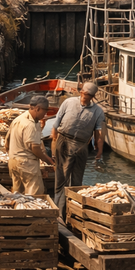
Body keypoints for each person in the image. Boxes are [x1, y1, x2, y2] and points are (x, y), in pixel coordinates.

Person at [51, 82, 105, 211]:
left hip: (81, 144)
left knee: (77, 178)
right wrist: (54, 142)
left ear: (93, 96)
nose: (85, 97)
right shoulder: (68, 102)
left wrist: (99, 150)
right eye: (84, 94)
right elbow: (56, 123)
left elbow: (99, 133)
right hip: (63, 140)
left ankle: (72, 209)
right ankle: (57, 208)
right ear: (81, 92)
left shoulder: (98, 111)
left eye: (89, 95)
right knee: (61, 177)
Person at [4, 95, 54, 196]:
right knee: (35, 194)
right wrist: (48, 160)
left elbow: (7, 142)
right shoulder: (30, 124)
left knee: (18, 194)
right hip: (27, 164)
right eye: (44, 111)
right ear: (37, 108)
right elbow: (34, 147)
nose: (45, 114)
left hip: (13, 161)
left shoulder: (18, 119)